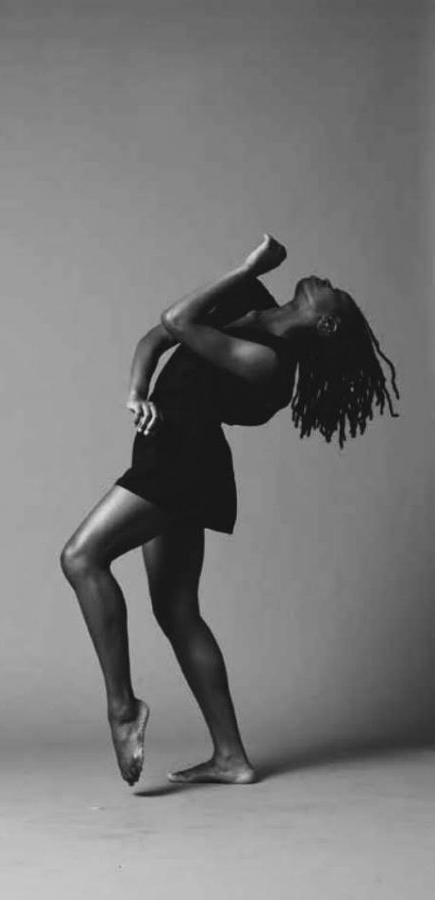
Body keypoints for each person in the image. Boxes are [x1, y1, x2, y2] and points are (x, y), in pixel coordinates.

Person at [59, 235, 400, 787]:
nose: (323, 280)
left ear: (328, 325)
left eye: (331, 294)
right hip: (166, 451)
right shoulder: (252, 302)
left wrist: (245, 267)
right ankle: (231, 758)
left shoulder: (270, 363)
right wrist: (136, 392)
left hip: (183, 463)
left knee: (80, 558)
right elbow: (157, 335)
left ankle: (122, 708)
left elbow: (178, 319)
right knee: (175, 609)